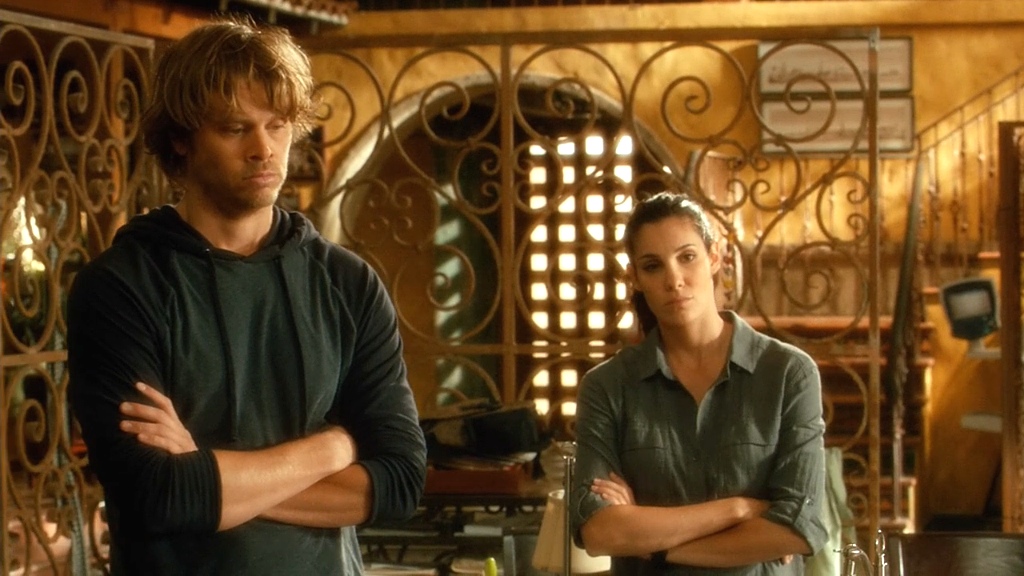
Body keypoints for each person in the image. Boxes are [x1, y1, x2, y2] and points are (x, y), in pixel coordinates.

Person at [66, 16, 427, 576]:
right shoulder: (120, 287)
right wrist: (332, 449)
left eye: (277, 126)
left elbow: (400, 481)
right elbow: (157, 494)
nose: (264, 149)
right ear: (181, 139)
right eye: (235, 128)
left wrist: (210, 476)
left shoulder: (347, 282)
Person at [570, 191, 827, 574]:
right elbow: (600, 531)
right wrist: (738, 509)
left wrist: (652, 544)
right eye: (653, 266)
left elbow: (797, 528)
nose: (674, 280)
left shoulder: (788, 373)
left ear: (714, 257)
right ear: (635, 277)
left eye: (687, 257)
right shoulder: (608, 386)